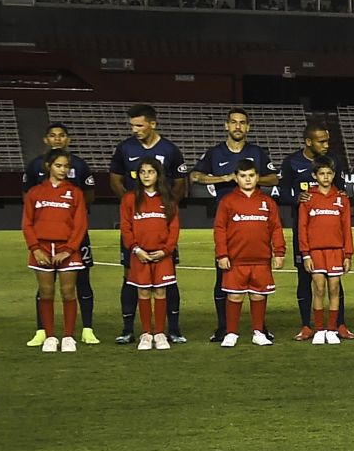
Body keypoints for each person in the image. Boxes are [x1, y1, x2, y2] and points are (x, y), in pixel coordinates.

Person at [190, 108, 279, 342]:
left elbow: (274, 178)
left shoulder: (257, 153)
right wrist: (224, 178)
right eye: (234, 122)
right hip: (228, 218)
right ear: (226, 126)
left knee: (258, 282)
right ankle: (225, 328)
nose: (238, 126)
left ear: (248, 127)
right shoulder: (215, 153)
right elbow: (195, 176)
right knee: (224, 278)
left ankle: (260, 328)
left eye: (242, 123)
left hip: (255, 216)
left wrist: (253, 178)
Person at [109, 104, 189, 345]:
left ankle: (171, 329)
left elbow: (179, 183)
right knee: (130, 278)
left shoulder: (170, 149)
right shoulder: (125, 148)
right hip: (138, 231)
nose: (135, 130)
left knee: (167, 280)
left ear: (153, 124)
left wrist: (163, 205)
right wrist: (135, 204)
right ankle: (129, 329)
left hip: (160, 224)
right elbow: (115, 180)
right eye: (132, 125)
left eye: (139, 125)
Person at [23, 124, 99, 346]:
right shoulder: (35, 192)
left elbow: (80, 223)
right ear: (48, 167)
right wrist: (35, 248)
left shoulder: (75, 192)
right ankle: (47, 335)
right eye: (59, 166)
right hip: (43, 248)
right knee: (46, 292)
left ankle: (69, 336)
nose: (63, 170)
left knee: (69, 292)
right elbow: (27, 222)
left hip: (68, 250)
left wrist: (68, 249)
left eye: (66, 166)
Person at [279, 123, 347, 342]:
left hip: (331, 233)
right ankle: (307, 325)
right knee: (305, 279)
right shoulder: (292, 162)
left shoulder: (334, 160)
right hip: (306, 230)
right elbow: (282, 191)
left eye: (328, 140)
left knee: (335, 282)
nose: (326, 145)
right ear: (309, 142)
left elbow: (341, 187)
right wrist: (295, 198)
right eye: (322, 141)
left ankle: (339, 324)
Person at [213, 160, 286, 348]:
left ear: (257, 177)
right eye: (243, 176)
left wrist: (279, 252)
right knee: (235, 296)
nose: (248, 179)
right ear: (236, 178)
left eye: (251, 175)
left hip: (261, 260)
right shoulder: (227, 201)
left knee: (258, 295)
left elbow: (276, 229)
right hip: (236, 260)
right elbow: (220, 229)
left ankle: (258, 332)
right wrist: (222, 254)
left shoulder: (267, 202)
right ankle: (231, 333)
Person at [120, 160, 180, 351]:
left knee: (161, 292)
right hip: (140, 255)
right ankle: (146, 333)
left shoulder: (167, 199)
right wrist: (136, 249)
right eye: (143, 172)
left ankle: (160, 333)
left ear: (158, 175)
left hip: (163, 255)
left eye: (151, 172)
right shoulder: (130, 199)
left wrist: (166, 250)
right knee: (143, 292)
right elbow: (126, 227)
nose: (146, 175)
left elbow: (174, 228)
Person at [296, 156, 354, 344]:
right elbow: (302, 228)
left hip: (336, 251)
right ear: (315, 175)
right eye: (322, 173)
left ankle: (332, 329)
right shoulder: (308, 198)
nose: (326, 177)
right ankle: (319, 329)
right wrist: (305, 254)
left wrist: (348, 254)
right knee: (319, 289)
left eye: (329, 173)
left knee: (334, 288)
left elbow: (346, 228)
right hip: (315, 252)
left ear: (334, 175)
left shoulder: (341, 199)